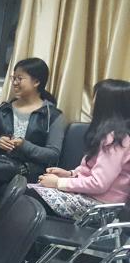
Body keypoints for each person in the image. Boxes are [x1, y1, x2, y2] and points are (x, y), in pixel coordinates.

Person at [0, 57, 65, 225]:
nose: (14, 83)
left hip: (29, 172)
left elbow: (53, 154)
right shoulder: (1, 110)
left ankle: (1, 239)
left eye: (20, 78)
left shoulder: (52, 116)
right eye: (14, 78)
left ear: (36, 82)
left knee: (10, 190)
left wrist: (25, 145)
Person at [30, 79, 130, 220]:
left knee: (28, 197)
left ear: (106, 104)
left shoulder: (116, 139)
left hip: (99, 207)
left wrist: (59, 183)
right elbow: (91, 170)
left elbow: (98, 184)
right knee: (26, 190)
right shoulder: (110, 134)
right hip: (89, 197)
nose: (93, 102)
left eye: (96, 97)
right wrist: (69, 174)